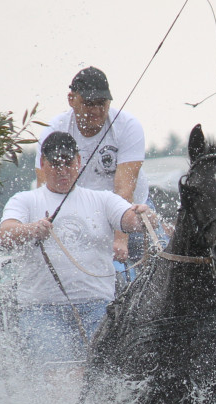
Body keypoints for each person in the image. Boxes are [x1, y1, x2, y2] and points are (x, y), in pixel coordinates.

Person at [0, 131, 154, 369]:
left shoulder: (102, 200)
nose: (62, 170)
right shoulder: (24, 200)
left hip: (98, 307)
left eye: (68, 163)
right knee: (59, 372)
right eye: (55, 164)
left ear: (79, 162)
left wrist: (144, 217)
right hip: (42, 310)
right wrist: (32, 229)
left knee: (105, 371)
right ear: (43, 164)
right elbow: (6, 234)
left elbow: (129, 219)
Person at [36, 67, 154, 288]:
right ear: (71, 99)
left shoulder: (128, 126)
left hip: (130, 210)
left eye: (103, 103)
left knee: (165, 262)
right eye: (89, 103)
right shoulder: (55, 130)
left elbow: (124, 190)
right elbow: (46, 191)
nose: (97, 110)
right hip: (82, 214)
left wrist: (120, 239)